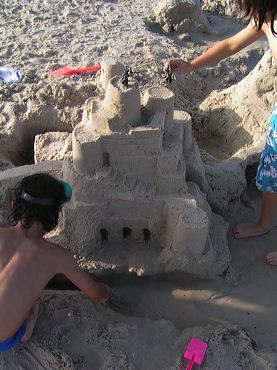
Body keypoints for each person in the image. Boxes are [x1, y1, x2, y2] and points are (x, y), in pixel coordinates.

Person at [164, 0, 277, 265]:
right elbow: (230, 45)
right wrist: (192, 65)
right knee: (271, 170)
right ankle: (264, 224)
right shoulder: (267, 19)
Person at [0, 173, 109, 352]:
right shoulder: (56, 256)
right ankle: (27, 330)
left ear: (15, 204)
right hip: (3, 341)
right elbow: (97, 295)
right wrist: (105, 290)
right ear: (56, 214)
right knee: (33, 302)